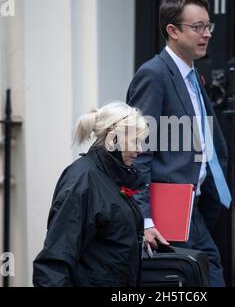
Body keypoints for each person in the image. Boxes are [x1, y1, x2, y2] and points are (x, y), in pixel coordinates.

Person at [126, 0, 231, 287]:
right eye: (197, 27)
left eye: (208, 26)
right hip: (164, 216)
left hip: (194, 210)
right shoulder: (153, 74)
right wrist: (145, 221)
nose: (207, 34)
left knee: (210, 275)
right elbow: (139, 151)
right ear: (172, 31)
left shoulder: (192, 76)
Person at [33, 101, 149, 287]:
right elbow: (54, 261)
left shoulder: (113, 177)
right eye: (135, 141)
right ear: (114, 139)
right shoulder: (83, 180)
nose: (140, 150)